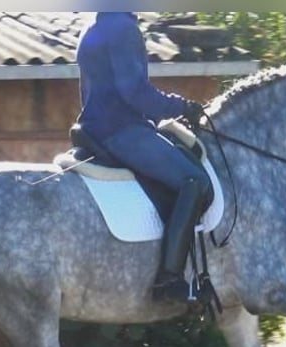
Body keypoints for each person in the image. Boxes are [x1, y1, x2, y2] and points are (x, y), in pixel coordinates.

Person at [75, 12, 211, 304]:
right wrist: (182, 107)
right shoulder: (123, 28)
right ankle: (169, 280)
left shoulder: (93, 28)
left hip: (95, 127)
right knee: (194, 180)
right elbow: (135, 92)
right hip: (121, 129)